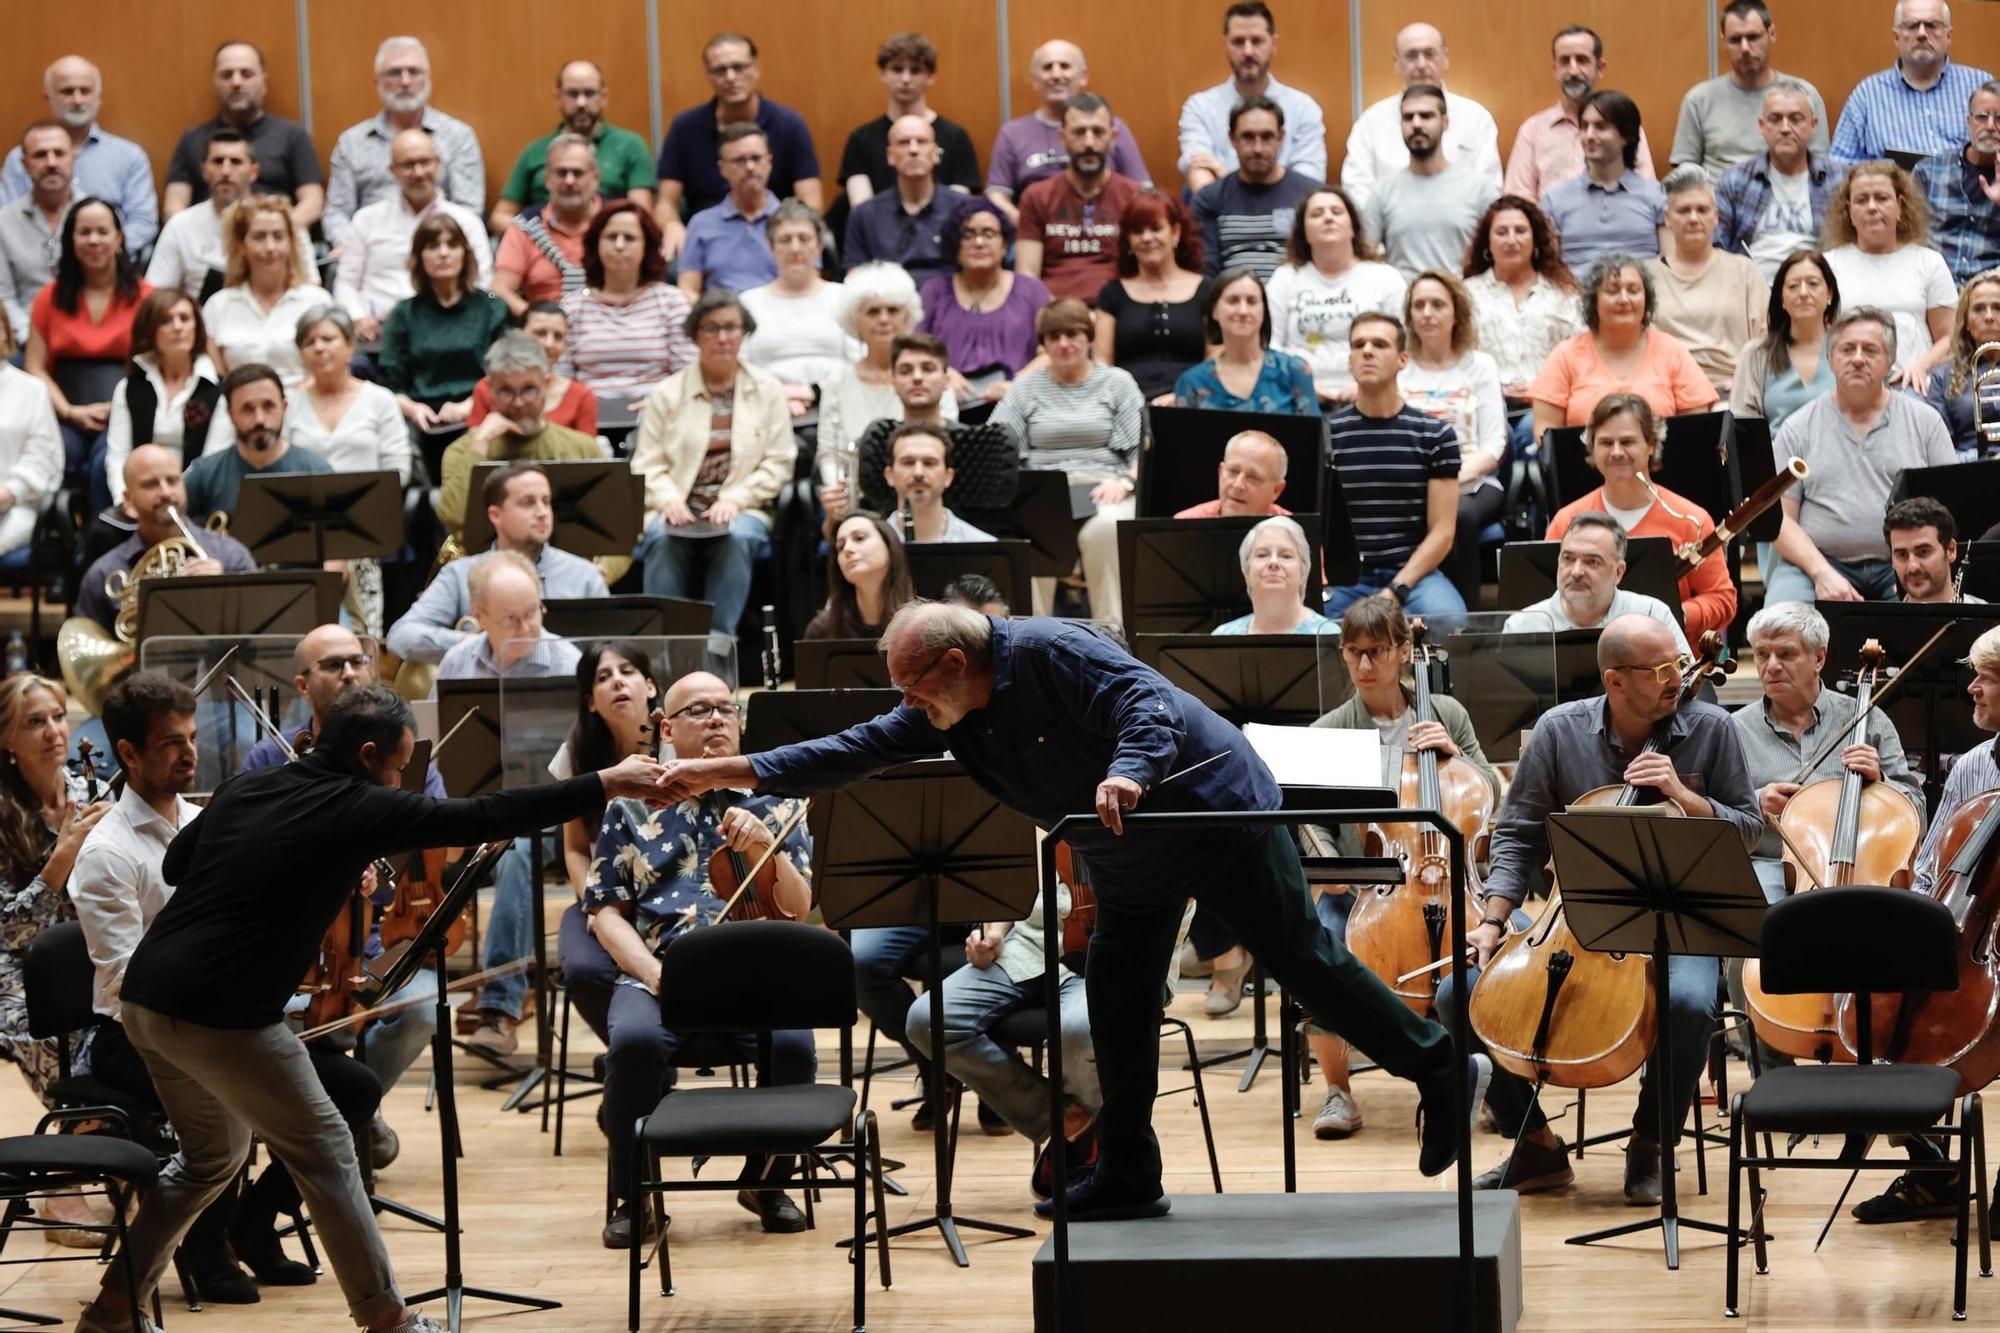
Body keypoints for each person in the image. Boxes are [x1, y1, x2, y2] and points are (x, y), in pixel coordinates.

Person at [658, 601, 1486, 1221]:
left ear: (952, 662)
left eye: (913, 684)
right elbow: (854, 748)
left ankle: (1441, 1067)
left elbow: (1146, 705)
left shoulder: (1053, 650)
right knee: (1122, 999)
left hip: (1213, 812)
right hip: (1126, 851)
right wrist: (730, 770)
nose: (906, 702)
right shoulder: (950, 709)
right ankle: (1129, 1172)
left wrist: (1128, 771)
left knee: (1310, 963)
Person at [67, 683, 667, 1333]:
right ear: (370, 753)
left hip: (149, 1005)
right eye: (400, 765)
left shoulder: (249, 787)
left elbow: (182, 862)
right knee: (325, 1143)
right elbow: (485, 815)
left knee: (210, 1158)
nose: (401, 778)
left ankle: (113, 1308)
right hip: (223, 1013)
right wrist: (605, 781)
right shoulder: (358, 804)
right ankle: (387, 1319)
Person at [1437, 614, 1758, 1201]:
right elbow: (1518, 833)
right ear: (1615, 681)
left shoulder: (1712, 727)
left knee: (1688, 1002)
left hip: (1678, 917)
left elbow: (1751, 829)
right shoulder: (1560, 732)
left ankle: (1652, 1141)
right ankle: (1535, 1145)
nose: (1677, 678)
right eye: (1661, 669)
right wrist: (1491, 921)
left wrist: (1686, 798)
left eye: (1681, 665)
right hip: (1575, 918)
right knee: (1457, 992)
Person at [72, 673, 295, 1302]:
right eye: (172, 742)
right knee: (235, 1098)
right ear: (128, 754)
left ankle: (247, 1227)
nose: (189, 752)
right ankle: (205, 1249)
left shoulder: (207, 825)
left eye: (192, 738)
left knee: (344, 1089)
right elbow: (121, 984)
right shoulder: (108, 852)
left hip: (208, 1021)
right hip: (129, 1035)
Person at [589, 668, 814, 1244]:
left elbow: (800, 906)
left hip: (757, 975)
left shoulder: (776, 797)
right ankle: (632, 1195)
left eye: (726, 709)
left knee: (793, 1046)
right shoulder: (628, 806)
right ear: (666, 727)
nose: (717, 718)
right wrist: (652, 973)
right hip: (659, 974)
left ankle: (766, 1181)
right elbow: (605, 911)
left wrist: (765, 842)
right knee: (634, 1045)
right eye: (699, 710)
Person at [231, 628, 442, 1161]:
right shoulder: (267, 758)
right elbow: (249, 859)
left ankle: (352, 1111)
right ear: (303, 684)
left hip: (379, 935)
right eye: (333, 665)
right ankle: (336, 1116)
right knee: (291, 1016)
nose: (350, 672)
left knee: (424, 1006)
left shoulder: (407, 754)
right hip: (296, 946)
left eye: (357, 661)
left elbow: (441, 840)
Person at [1305, 596, 1500, 1136]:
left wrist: (1455, 756)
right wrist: (1333, 867)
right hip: (1366, 885)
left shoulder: (1448, 714)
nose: (1365, 666)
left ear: (1402, 651)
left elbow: (1494, 791)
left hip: (1445, 877)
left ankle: (1487, 1078)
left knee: (1487, 954)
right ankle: (1338, 1092)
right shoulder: (1331, 731)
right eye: (1354, 653)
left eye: (1377, 652)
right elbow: (1309, 818)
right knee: (1315, 952)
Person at [904, 813, 1102, 1184]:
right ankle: (1070, 1123)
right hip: (1030, 944)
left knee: (1076, 1029)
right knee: (927, 1020)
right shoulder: (1038, 801)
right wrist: (992, 933)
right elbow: (1012, 886)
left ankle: (1093, 1160)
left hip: (1102, 955)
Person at [1729, 600, 1924, 911]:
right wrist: (1755, 803)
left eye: (1786, 653)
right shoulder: (1733, 730)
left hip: (1858, 864)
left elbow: (1918, 813)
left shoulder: (1867, 719)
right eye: (1762, 655)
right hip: (1770, 869)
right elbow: (1713, 823)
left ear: (1818, 657)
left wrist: (1883, 782)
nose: (1772, 665)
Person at [632, 290, 795, 640]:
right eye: (711, 328)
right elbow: (646, 462)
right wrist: (667, 498)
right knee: (661, 538)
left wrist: (737, 498)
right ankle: (665, 645)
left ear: (744, 333)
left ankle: (719, 647)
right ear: (695, 335)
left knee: (736, 537)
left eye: (732, 328)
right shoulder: (667, 393)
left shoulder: (768, 390)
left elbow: (779, 461)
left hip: (743, 507)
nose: (723, 337)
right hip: (677, 506)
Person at [1768, 307, 1958, 603]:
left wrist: (1915, 563)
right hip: (1816, 563)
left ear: (1891, 360)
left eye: (1870, 350)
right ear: (1830, 359)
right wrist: (1821, 573)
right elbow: (1778, 518)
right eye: (1847, 349)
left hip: (1904, 563)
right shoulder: (1797, 427)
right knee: (1780, 624)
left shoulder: (1925, 422)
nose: (1858, 358)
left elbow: (1949, 509)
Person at [993, 298, 1144, 622]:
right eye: (1054, 336)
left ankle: (1114, 636)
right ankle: (1029, 640)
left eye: (1073, 334)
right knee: (1025, 537)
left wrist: (1126, 482)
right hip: (1043, 492)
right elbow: (996, 446)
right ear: (1044, 344)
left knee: (1106, 529)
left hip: (1105, 487)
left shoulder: (1118, 382)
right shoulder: (1024, 388)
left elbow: (1143, 451)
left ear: (1089, 337)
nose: (1064, 344)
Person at [1545, 393, 1736, 641]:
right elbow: (1546, 598)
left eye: (1627, 442)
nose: (1616, 452)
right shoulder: (1566, 520)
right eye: (1605, 442)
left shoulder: (1691, 519)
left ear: (1651, 445)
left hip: (1670, 663)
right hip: (1586, 657)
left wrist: (1671, 616)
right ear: (1591, 447)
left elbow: (1722, 600)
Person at [0, 671, 108, 1108]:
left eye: (59, 717)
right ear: (7, 740)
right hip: (16, 968)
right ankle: (86, 1118)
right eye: (34, 722)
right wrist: (62, 856)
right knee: (45, 1026)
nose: (54, 732)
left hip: (93, 951)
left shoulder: (94, 794)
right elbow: (10, 933)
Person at [552, 641, 661, 1049]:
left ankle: (655, 1045)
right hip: (602, 895)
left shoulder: (676, 745)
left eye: (628, 671)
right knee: (582, 970)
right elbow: (576, 849)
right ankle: (630, 1053)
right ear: (591, 703)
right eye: (603, 677)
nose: (617, 681)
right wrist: (595, 904)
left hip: (668, 893)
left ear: (650, 687)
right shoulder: (575, 757)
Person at [390, 461, 605, 664]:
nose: (542, 513)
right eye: (528, 503)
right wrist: (471, 644)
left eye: (546, 501)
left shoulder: (584, 576)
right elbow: (401, 635)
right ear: (495, 515)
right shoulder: (459, 574)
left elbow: (612, 647)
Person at [1324, 312, 1465, 615]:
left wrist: (1397, 589)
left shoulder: (1435, 434)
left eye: (1379, 344)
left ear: (1403, 359)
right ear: (1349, 361)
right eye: (1358, 344)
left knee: (1448, 620)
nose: (1367, 351)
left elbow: (1443, 532)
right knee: (1311, 628)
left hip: (1414, 575)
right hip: (1344, 578)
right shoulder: (1325, 434)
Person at [654, 32, 822, 259]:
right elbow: (666, 202)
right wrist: (672, 226)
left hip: (774, 235)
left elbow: (811, 202)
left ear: (756, 68)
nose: (731, 77)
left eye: (739, 67)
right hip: (708, 239)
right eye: (720, 70)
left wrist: (793, 236)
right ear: (708, 75)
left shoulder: (789, 125)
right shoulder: (686, 127)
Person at [1399, 269, 1507, 607]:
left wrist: (1446, 479)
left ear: (1456, 313)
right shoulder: (1400, 368)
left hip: (1474, 483)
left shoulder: (1480, 365)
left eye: (1437, 305)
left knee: (1456, 513)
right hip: (1413, 483)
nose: (1427, 313)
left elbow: (1494, 445)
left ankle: (1466, 619)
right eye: (1419, 306)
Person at [821, 333, 1004, 526]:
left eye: (928, 369)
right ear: (893, 380)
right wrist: (835, 513)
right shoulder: (870, 447)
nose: (917, 378)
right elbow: (839, 530)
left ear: (946, 380)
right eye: (906, 371)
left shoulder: (976, 447)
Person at [26, 197, 150, 482]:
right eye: (84, 232)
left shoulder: (147, 298)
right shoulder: (48, 297)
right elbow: (35, 367)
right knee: (56, 457)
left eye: (102, 232)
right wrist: (70, 412)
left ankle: (102, 527)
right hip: (62, 412)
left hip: (124, 413)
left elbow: (156, 365)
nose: (93, 240)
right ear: (71, 240)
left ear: (118, 237)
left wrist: (119, 409)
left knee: (106, 462)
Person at [433, 332, 602, 541]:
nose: (518, 403)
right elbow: (454, 516)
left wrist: (604, 570)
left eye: (529, 390)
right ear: (489, 390)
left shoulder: (582, 448)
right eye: (506, 391)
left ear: (547, 385)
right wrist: (480, 443)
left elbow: (615, 525)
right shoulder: (461, 451)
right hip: (488, 566)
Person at [75, 445, 257, 634]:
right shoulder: (104, 574)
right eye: (151, 484)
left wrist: (225, 590)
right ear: (128, 500)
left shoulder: (232, 557)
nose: (166, 493)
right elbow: (88, 649)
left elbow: (259, 636)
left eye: (172, 481)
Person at [332, 128, 492, 344]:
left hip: (448, 331)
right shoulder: (366, 220)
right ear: (392, 170)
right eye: (408, 165)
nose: (418, 172)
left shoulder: (466, 222)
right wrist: (358, 318)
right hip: (378, 334)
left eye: (425, 162)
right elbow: (346, 283)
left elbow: (481, 282)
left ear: (438, 164)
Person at [1529, 253, 1718, 435]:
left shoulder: (1673, 352)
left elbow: (1696, 430)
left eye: (1633, 290)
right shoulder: (1565, 355)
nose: (1624, 299)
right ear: (1594, 301)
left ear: (1647, 299)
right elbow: (1545, 433)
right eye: (1612, 291)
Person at [323, 36, 483, 250]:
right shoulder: (351, 143)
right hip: (371, 249)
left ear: (428, 78)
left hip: (438, 249)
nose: (405, 81)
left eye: (414, 72)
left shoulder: (458, 137)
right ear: (378, 81)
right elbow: (337, 212)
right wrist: (349, 246)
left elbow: (468, 208)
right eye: (395, 73)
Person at [1266, 185, 1407, 405]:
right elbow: (1270, 347)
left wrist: (1366, 386)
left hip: (1373, 395)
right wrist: (1301, 386)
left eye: (1337, 212)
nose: (1328, 218)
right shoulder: (1284, 279)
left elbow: (1405, 346)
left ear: (1353, 227)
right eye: (1317, 214)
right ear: (1304, 232)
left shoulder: (1385, 278)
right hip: (1297, 398)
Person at [0, 57, 154, 254]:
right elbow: (6, 222)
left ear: (98, 97)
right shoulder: (19, 159)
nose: (77, 100)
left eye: (85, 91)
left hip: (108, 269)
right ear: (48, 96)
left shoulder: (130, 157)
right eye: (67, 91)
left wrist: (101, 254)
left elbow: (143, 222)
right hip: (34, 268)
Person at [985, 40, 1150, 224]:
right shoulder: (1012, 133)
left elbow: (1143, 190)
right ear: (1034, 80)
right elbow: (996, 194)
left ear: (1083, 76)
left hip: (1107, 227)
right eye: (1047, 67)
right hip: (1036, 228)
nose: (1056, 74)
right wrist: (1024, 223)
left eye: (1065, 66)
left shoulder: (1112, 128)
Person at [1822, 159, 1957, 383]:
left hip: (1913, 386)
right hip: (1846, 386)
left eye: (1882, 198)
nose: (1872, 207)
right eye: (1861, 200)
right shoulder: (1828, 265)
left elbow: (1949, 337)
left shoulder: (1929, 262)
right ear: (1849, 212)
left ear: (1900, 206)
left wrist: (1921, 367)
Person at [557, 201, 695, 416]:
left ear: (646, 246)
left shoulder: (671, 301)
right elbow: (560, 378)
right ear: (597, 244)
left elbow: (688, 373)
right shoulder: (573, 306)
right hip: (587, 415)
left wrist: (663, 404)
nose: (619, 245)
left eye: (629, 238)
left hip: (659, 413)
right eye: (611, 237)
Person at [1341, 21, 1498, 209]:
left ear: (1445, 58)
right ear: (1397, 63)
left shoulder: (1476, 118)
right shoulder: (1370, 122)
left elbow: (1490, 191)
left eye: (1430, 54)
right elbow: (1356, 190)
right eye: (1412, 56)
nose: (1422, 64)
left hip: (1463, 232)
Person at [164, 41, 324, 224]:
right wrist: (191, 238)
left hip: (272, 244)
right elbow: (174, 204)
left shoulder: (292, 136)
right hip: (205, 245)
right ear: (214, 81)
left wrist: (273, 234)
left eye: (246, 74)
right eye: (227, 75)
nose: (236, 82)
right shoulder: (192, 139)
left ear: (263, 80)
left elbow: (313, 202)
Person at [380, 214, 511, 436]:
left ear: (465, 253)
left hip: (480, 409)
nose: (443, 253)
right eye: (432, 246)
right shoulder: (405, 313)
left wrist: (468, 407)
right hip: (420, 416)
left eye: (452, 245)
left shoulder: (492, 307)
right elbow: (391, 385)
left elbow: (506, 374)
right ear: (420, 257)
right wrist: (412, 410)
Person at [103, 290, 231, 517]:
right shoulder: (129, 387)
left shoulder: (216, 390)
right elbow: (118, 454)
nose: (177, 327)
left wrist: (170, 500)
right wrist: (126, 498)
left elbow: (212, 462)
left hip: (193, 505)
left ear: (197, 327)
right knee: (101, 534)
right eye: (166, 320)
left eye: (184, 318)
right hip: (138, 504)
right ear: (150, 330)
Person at [148, 129, 315, 302]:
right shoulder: (180, 226)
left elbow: (311, 288)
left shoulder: (280, 221)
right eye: (218, 162)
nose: (226, 171)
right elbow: (156, 299)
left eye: (236, 162)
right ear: (204, 171)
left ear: (254, 172)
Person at [491, 60, 656, 234]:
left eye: (589, 93)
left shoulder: (630, 146)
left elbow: (640, 216)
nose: (581, 102)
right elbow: (500, 217)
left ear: (604, 97)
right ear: (558, 98)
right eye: (573, 94)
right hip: (544, 246)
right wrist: (543, 241)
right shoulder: (535, 152)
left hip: (606, 247)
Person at [1180, 2, 1328, 194]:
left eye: (1256, 41)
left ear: (1273, 44)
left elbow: (1308, 185)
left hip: (1286, 219)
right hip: (1222, 219)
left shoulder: (1303, 108)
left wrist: (1224, 175)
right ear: (1225, 45)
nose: (1248, 52)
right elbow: (1201, 184)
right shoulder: (1199, 108)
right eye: (1238, 42)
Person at [1644, 166, 1769, 394]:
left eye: (1702, 210)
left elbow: (1768, 340)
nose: (1693, 218)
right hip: (1665, 394)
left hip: (1732, 390)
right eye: (1684, 210)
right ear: (1668, 220)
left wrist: (1747, 383)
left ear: (1716, 217)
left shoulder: (1745, 271)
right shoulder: (1645, 276)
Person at [1671, 1, 1830, 177]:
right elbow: (1684, 173)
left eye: (1753, 37)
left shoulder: (1804, 95)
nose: (1745, 48)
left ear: (1772, 34)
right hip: (1718, 199)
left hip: (1787, 197)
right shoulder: (1699, 99)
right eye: (1735, 40)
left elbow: (1821, 167)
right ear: (1724, 42)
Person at [917, 197, 1052, 404]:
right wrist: (944, 373)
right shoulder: (934, 291)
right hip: (948, 406)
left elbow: (1053, 353)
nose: (979, 242)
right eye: (968, 235)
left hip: (1017, 405)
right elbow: (915, 350)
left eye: (989, 234)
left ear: (1005, 245)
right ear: (955, 245)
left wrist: (1018, 385)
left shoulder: (1032, 290)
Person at [1830, 0, 1995, 165]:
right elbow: (1838, 165)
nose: (1922, 34)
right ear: (1896, 37)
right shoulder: (1867, 95)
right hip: (1895, 189)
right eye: (1912, 26)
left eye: (1932, 25)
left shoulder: (1980, 86)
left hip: (1968, 190)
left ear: (1948, 35)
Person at [1504, 25, 1657, 201]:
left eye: (1582, 60)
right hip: (1551, 226)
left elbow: (1646, 192)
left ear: (1600, 68)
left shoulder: (1625, 127)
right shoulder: (1533, 130)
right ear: (1555, 70)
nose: (1573, 71)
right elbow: (1517, 199)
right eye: (1565, 61)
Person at [1364, 85, 1499, 283]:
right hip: (1404, 305)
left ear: (1445, 122)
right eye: (1408, 117)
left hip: (1465, 303)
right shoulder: (1382, 193)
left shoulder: (1479, 189)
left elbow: (1499, 253)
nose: (1416, 124)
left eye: (1426, 116)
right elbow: (1365, 257)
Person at [1462, 197, 1582, 417]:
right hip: (1484, 406)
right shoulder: (1465, 294)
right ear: (1487, 242)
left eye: (1520, 231)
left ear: (1535, 240)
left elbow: (1582, 352)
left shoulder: (1564, 293)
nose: (1511, 240)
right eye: (1501, 232)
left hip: (1550, 403)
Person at [1712, 79, 1841, 284]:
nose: (1785, 128)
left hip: (1818, 289)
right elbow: (1716, 249)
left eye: (1796, 119)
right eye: (1775, 119)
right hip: (1750, 289)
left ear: (1813, 125)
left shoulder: (1839, 180)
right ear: (1762, 126)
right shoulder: (1735, 181)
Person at [1016, 95, 1143, 302]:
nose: (1089, 143)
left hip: (1119, 311)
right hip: (1054, 314)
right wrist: (1057, 315)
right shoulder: (1036, 196)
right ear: (1062, 136)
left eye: (1098, 132)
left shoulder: (1134, 196)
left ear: (1113, 136)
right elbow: (1027, 275)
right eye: (1079, 132)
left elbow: (1145, 272)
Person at [817, 267, 953, 459]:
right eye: (873, 312)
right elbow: (829, 455)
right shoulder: (837, 383)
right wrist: (839, 488)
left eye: (893, 310)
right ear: (855, 320)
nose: (883, 319)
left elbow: (946, 443)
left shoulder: (932, 377)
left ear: (907, 317)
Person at [1504, 511, 1692, 650]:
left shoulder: (1652, 615)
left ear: (1618, 572)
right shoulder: (1522, 625)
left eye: (1592, 562)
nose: (1576, 572)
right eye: (1568, 559)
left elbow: (1684, 688)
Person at [840, 32, 982, 212]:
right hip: (881, 236)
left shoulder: (955, 137)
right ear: (883, 74)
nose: (905, 79)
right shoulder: (860, 139)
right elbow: (862, 212)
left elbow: (958, 209)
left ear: (930, 76)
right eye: (897, 69)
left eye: (915, 70)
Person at [1094, 192, 1211, 403]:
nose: (1147, 238)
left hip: (1195, 405)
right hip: (1127, 407)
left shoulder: (1206, 290)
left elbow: (1216, 362)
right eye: (1138, 231)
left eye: (1156, 229)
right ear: (1128, 240)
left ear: (1175, 233)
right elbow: (1102, 364)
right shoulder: (1112, 294)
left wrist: (1182, 398)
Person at [1192, 96, 1321, 282]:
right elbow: (1205, 270)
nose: (1258, 148)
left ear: (1281, 138)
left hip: (1295, 301)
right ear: (1232, 139)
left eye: (1267, 137)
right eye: (1248, 137)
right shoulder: (1209, 198)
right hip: (1232, 303)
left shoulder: (1310, 195)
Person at [181, 364, 331, 522]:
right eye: (247, 409)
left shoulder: (317, 472)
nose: (260, 419)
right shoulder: (203, 474)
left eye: (268, 406)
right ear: (230, 414)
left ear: (284, 407)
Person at [201, 195, 322, 390]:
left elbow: (326, 370)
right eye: (259, 237)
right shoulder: (218, 306)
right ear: (241, 245)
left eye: (278, 236)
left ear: (291, 243)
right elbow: (216, 373)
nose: (270, 247)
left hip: (304, 408)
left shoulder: (316, 301)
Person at [741, 206, 856, 413]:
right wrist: (778, 395)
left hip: (840, 405)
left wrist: (817, 392)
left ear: (819, 245)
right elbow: (740, 367)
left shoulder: (845, 296)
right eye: (785, 240)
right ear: (770, 247)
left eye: (804, 239)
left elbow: (860, 362)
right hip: (766, 409)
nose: (795, 248)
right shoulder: (748, 302)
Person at [1540, 90, 1665, 271]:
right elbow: (1549, 272)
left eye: (1601, 126)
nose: (1589, 135)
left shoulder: (1657, 195)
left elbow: (1669, 267)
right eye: (1584, 126)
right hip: (1577, 296)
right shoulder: (1555, 200)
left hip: (1641, 294)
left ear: (1625, 136)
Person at [285, 306, 413, 481]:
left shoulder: (381, 400)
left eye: (328, 339)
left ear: (350, 346)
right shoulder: (290, 404)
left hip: (370, 504)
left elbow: (399, 469)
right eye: (309, 342)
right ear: (301, 355)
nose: (319, 347)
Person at [433, 550, 585, 686]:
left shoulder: (570, 666)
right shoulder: (456, 662)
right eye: (510, 619)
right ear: (479, 616)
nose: (525, 628)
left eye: (531, 613)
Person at [1173, 267, 1316, 413]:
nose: (1243, 311)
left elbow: (1312, 433)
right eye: (1233, 301)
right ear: (1215, 311)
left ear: (1263, 310)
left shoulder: (1294, 370)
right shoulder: (1192, 382)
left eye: (1252, 301)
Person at [845, 117, 958, 290]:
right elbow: (856, 282)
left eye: (921, 142)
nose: (913, 150)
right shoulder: (865, 215)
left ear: (936, 154)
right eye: (904, 143)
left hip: (949, 305)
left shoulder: (963, 209)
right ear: (890, 156)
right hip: (889, 308)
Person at [491, 135, 600, 315]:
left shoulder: (615, 224)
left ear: (595, 178)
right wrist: (536, 320)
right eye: (561, 173)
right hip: (544, 333)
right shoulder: (526, 227)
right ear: (547, 178)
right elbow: (499, 291)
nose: (569, 181)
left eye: (578, 173)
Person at [1730, 248, 1838, 429]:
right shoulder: (1756, 354)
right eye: (1793, 286)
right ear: (1781, 299)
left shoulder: (1850, 350)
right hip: (1774, 454)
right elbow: (1743, 426)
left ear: (1830, 294)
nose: (1803, 293)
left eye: (1813, 283)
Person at [676, 125, 781, 298]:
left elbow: (809, 286)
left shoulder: (793, 220)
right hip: (722, 319)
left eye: (756, 158)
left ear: (769, 162)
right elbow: (687, 289)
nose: (749, 166)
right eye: (739, 160)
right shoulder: (701, 224)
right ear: (722, 168)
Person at [1913, 81, 2000, 286]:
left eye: (1999, 118)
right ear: (1969, 122)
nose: (1990, 126)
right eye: (1981, 117)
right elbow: (1903, 237)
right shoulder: (1929, 171)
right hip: (1933, 286)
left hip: (1992, 292)